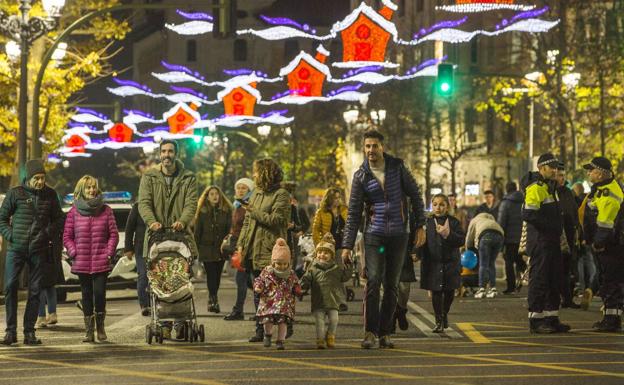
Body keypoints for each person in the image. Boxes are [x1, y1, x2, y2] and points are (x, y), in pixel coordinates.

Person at [341, 130, 426, 349]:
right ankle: (370, 332)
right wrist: (346, 246)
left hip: (399, 235)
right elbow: (353, 213)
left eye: (375, 146)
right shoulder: (361, 176)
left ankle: (385, 333)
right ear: (364, 148)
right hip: (374, 235)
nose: (371, 150)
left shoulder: (398, 168)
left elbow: (416, 196)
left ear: (382, 147)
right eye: (367, 146)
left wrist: (420, 226)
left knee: (392, 285)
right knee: (373, 281)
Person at [138, 139, 198, 339]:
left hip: (180, 236)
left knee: (181, 279)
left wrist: (183, 220)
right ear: (159, 154)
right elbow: (144, 203)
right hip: (156, 235)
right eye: (163, 151)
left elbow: (191, 203)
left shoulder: (188, 178)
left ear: (176, 154)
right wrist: (152, 222)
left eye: (170, 151)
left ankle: (181, 322)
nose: (166, 155)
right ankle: (163, 322)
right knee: (159, 280)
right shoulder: (149, 177)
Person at [0, 159, 64, 345]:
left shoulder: (50, 195)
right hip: (16, 249)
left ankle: (29, 332)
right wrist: (11, 236)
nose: (40, 181)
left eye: (42, 178)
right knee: (10, 287)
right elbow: (2, 219)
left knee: (35, 291)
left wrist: (47, 234)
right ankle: (10, 332)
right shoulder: (15, 194)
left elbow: (59, 219)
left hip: (39, 249)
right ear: (28, 178)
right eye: (36, 178)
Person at [237, 159, 291, 343]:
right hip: (253, 249)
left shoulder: (281, 194)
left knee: (277, 290)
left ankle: (284, 321)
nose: (254, 175)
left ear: (266, 173)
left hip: (271, 250)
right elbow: (247, 221)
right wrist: (241, 244)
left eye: (256, 172)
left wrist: (253, 211)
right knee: (258, 290)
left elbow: (277, 220)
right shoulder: (256, 193)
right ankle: (260, 328)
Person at [63, 175, 119, 342]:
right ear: (82, 190)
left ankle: (100, 327)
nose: (92, 190)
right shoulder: (73, 212)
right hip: (82, 261)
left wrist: (109, 253)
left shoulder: (106, 210)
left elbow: (114, 235)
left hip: (101, 259)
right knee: (86, 295)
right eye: (88, 187)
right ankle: (89, 331)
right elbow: (67, 236)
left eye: (94, 187)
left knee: (99, 293)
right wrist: (74, 252)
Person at [521, 153, 570, 334]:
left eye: (557, 168)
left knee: (553, 279)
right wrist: (549, 227)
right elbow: (528, 214)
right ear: (542, 168)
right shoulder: (536, 188)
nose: (556, 170)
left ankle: (551, 318)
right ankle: (536, 320)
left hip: (551, 241)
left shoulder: (551, 187)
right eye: (552, 167)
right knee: (540, 280)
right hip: (541, 241)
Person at [580, 157, 624, 332]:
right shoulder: (601, 189)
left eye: (591, 170)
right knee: (608, 281)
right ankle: (611, 316)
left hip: (611, 245)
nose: (589, 173)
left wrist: (598, 243)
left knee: (611, 282)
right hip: (610, 244)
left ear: (601, 173)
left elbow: (605, 223)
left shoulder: (608, 193)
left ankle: (612, 320)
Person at [419, 194, 465, 332]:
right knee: (436, 293)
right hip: (433, 263)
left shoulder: (453, 222)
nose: (438, 208)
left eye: (441, 205)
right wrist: (417, 253)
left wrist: (447, 234)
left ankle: (444, 314)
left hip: (450, 263)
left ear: (447, 207)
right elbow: (421, 240)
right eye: (435, 204)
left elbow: (461, 240)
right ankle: (439, 320)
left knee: (449, 293)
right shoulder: (427, 223)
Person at [300, 233, 352, 349]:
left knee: (334, 320)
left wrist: (349, 266)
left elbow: (345, 276)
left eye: (326, 253)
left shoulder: (336, 269)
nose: (322, 255)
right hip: (319, 301)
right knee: (320, 322)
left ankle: (330, 335)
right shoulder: (313, 269)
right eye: (320, 252)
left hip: (333, 301)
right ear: (316, 254)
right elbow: (305, 280)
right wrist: (301, 286)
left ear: (332, 255)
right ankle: (320, 340)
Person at [253, 238, 302, 350]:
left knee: (283, 321)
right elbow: (259, 280)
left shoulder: (290, 273)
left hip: (285, 302)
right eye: (279, 263)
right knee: (268, 320)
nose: (282, 266)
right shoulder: (267, 272)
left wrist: (298, 290)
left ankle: (280, 340)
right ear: (273, 262)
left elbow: (296, 283)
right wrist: (258, 287)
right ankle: (268, 334)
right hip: (269, 300)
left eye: (285, 264)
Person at [194, 185, 232, 314]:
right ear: (207, 197)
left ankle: (212, 299)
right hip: (206, 248)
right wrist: (195, 249)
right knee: (211, 275)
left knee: (217, 276)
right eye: (211, 194)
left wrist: (228, 244)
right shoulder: (202, 212)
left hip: (221, 249)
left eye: (217, 193)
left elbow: (229, 230)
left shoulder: (226, 210)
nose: (215, 196)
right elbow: (197, 232)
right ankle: (213, 300)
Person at [312, 187, 349, 311]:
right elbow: (316, 230)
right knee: (327, 275)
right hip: (327, 247)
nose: (338, 200)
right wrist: (319, 245)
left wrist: (349, 244)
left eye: (339, 197)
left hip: (341, 246)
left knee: (338, 272)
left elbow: (350, 226)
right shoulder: (321, 212)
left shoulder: (344, 210)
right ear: (329, 199)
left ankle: (341, 301)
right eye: (335, 198)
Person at [223, 177, 255, 321]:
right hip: (238, 246)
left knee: (242, 279)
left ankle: (239, 311)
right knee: (249, 281)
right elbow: (234, 227)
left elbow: (248, 228)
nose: (241, 190)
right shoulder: (237, 205)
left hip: (246, 247)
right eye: (239, 187)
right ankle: (262, 309)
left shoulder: (248, 205)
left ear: (249, 190)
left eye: (244, 188)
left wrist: (242, 247)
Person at [556, 163, 581, 309]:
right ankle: (559, 297)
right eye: (560, 175)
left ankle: (567, 298)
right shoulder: (551, 191)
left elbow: (574, 211)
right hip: (558, 234)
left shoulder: (568, 192)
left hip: (570, 233)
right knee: (557, 267)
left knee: (568, 267)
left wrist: (578, 230)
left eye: (564, 176)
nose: (562, 178)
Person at [466, 212, 504, 298]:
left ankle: (482, 289)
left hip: (485, 235)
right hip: (499, 236)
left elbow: (469, 238)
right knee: (491, 263)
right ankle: (493, 288)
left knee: (483, 264)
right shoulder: (491, 221)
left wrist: (468, 250)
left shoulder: (475, 220)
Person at [497, 181, 526, 294]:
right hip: (522, 237)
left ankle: (511, 286)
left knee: (508, 261)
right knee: (518, 259)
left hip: (509, 238)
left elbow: (501, 223)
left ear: (507, 190)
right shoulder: (523, 201)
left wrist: (501, 238)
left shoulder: (505, 203)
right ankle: (528, 275)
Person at [124, 202, 149, 316]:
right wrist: (128, 248)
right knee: (143, 275)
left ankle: (158, 302)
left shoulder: (159, 203)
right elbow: (129, 228)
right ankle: (144, 304)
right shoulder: (138, 206)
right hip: (141, 247)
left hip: (158, 246)